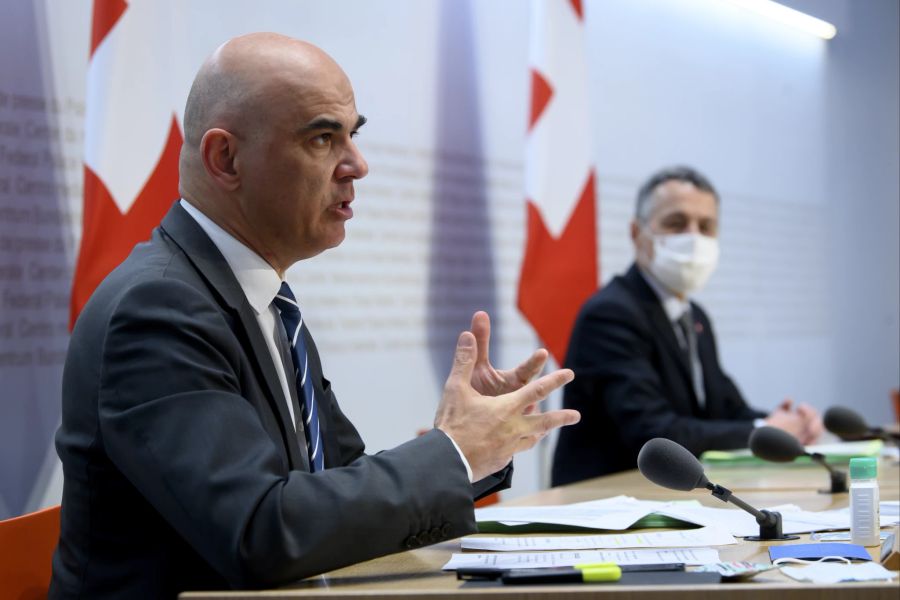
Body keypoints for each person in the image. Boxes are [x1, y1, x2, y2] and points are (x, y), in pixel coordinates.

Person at [50, 33, 580, 598]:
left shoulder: (263, 298)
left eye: (354, 135)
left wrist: (478, 444)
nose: (357, 164)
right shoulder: (157, 309)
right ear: (225, 158)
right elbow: (260, 532)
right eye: (323, 138)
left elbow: (336, 482)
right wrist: (452, 451)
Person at [551, 166, 822, 485]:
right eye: (676, 223)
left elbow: (724, 409)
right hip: (603, 504)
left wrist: (786, 426)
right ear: (637, 234)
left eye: (706, 226)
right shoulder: (610, 314)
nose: (694, 238)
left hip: (668, 498)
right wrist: (761, 430)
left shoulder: (695, 317)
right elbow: (653, 432)